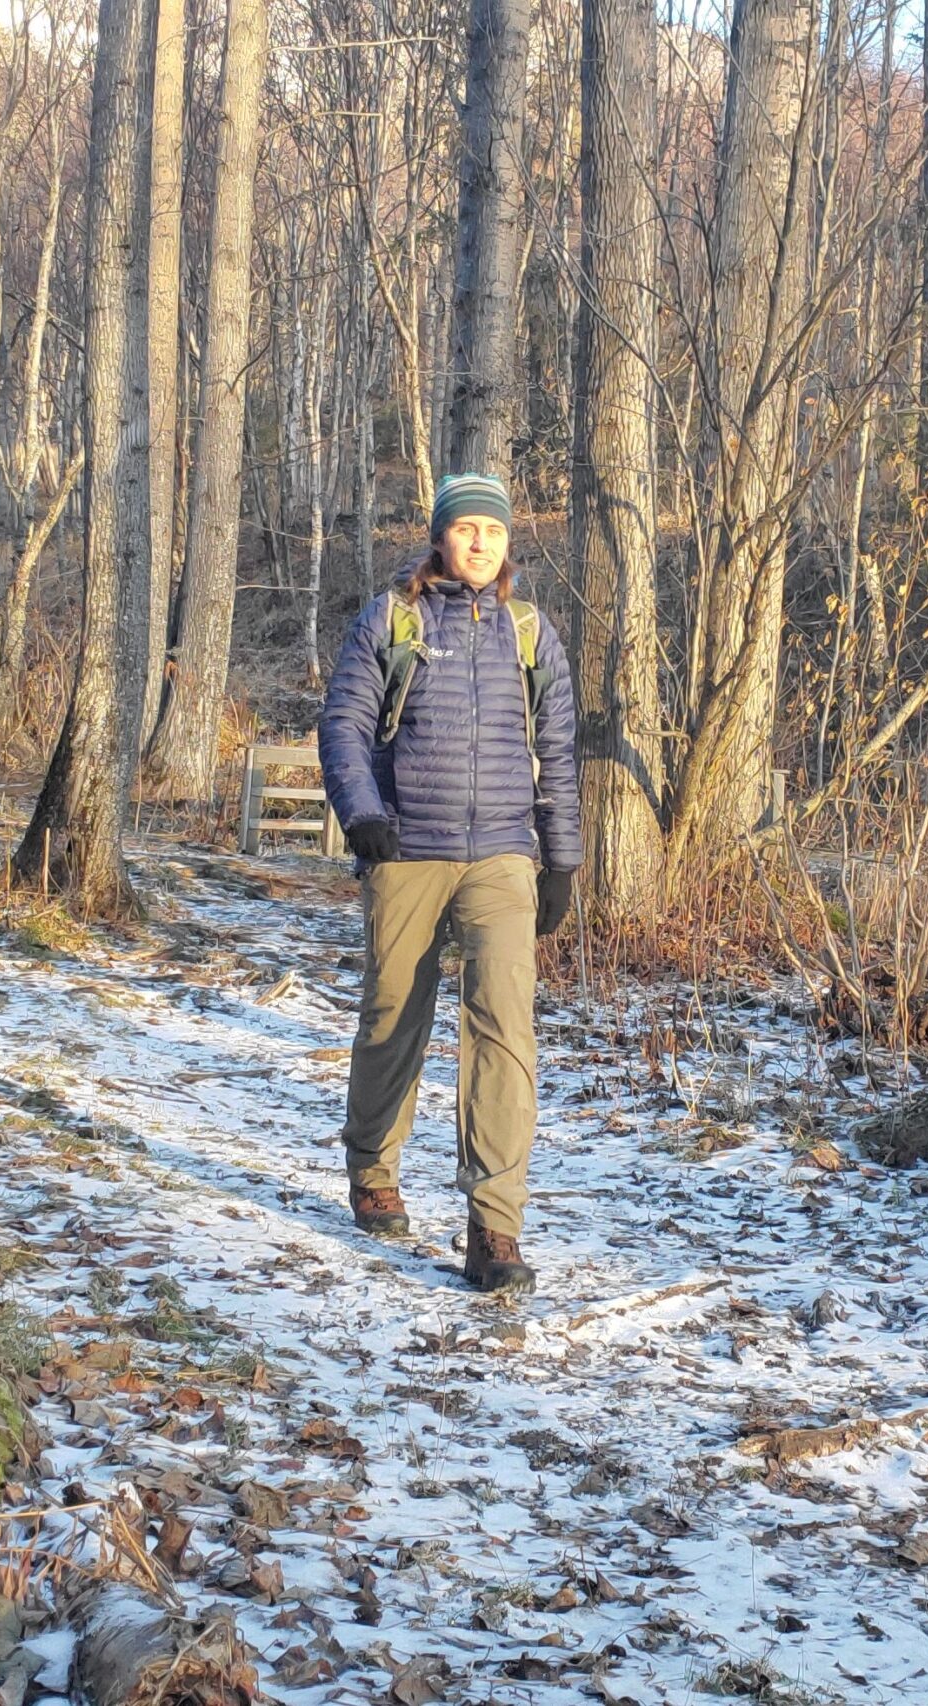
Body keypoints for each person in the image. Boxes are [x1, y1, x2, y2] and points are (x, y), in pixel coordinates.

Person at [316, 473, 581, 1296]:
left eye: (492, 533)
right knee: (395, 1016)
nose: (478, 544)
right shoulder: (393, 619)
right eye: (465, 529)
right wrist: (361, 813)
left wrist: (562, 857)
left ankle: (494, 1225)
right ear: (440, 537)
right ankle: (371, 1169)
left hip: (503, 854)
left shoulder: (530, 632)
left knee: (506, 1029)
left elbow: (561, 755)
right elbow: (345, 723)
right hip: (407, 848)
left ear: (508, 543)